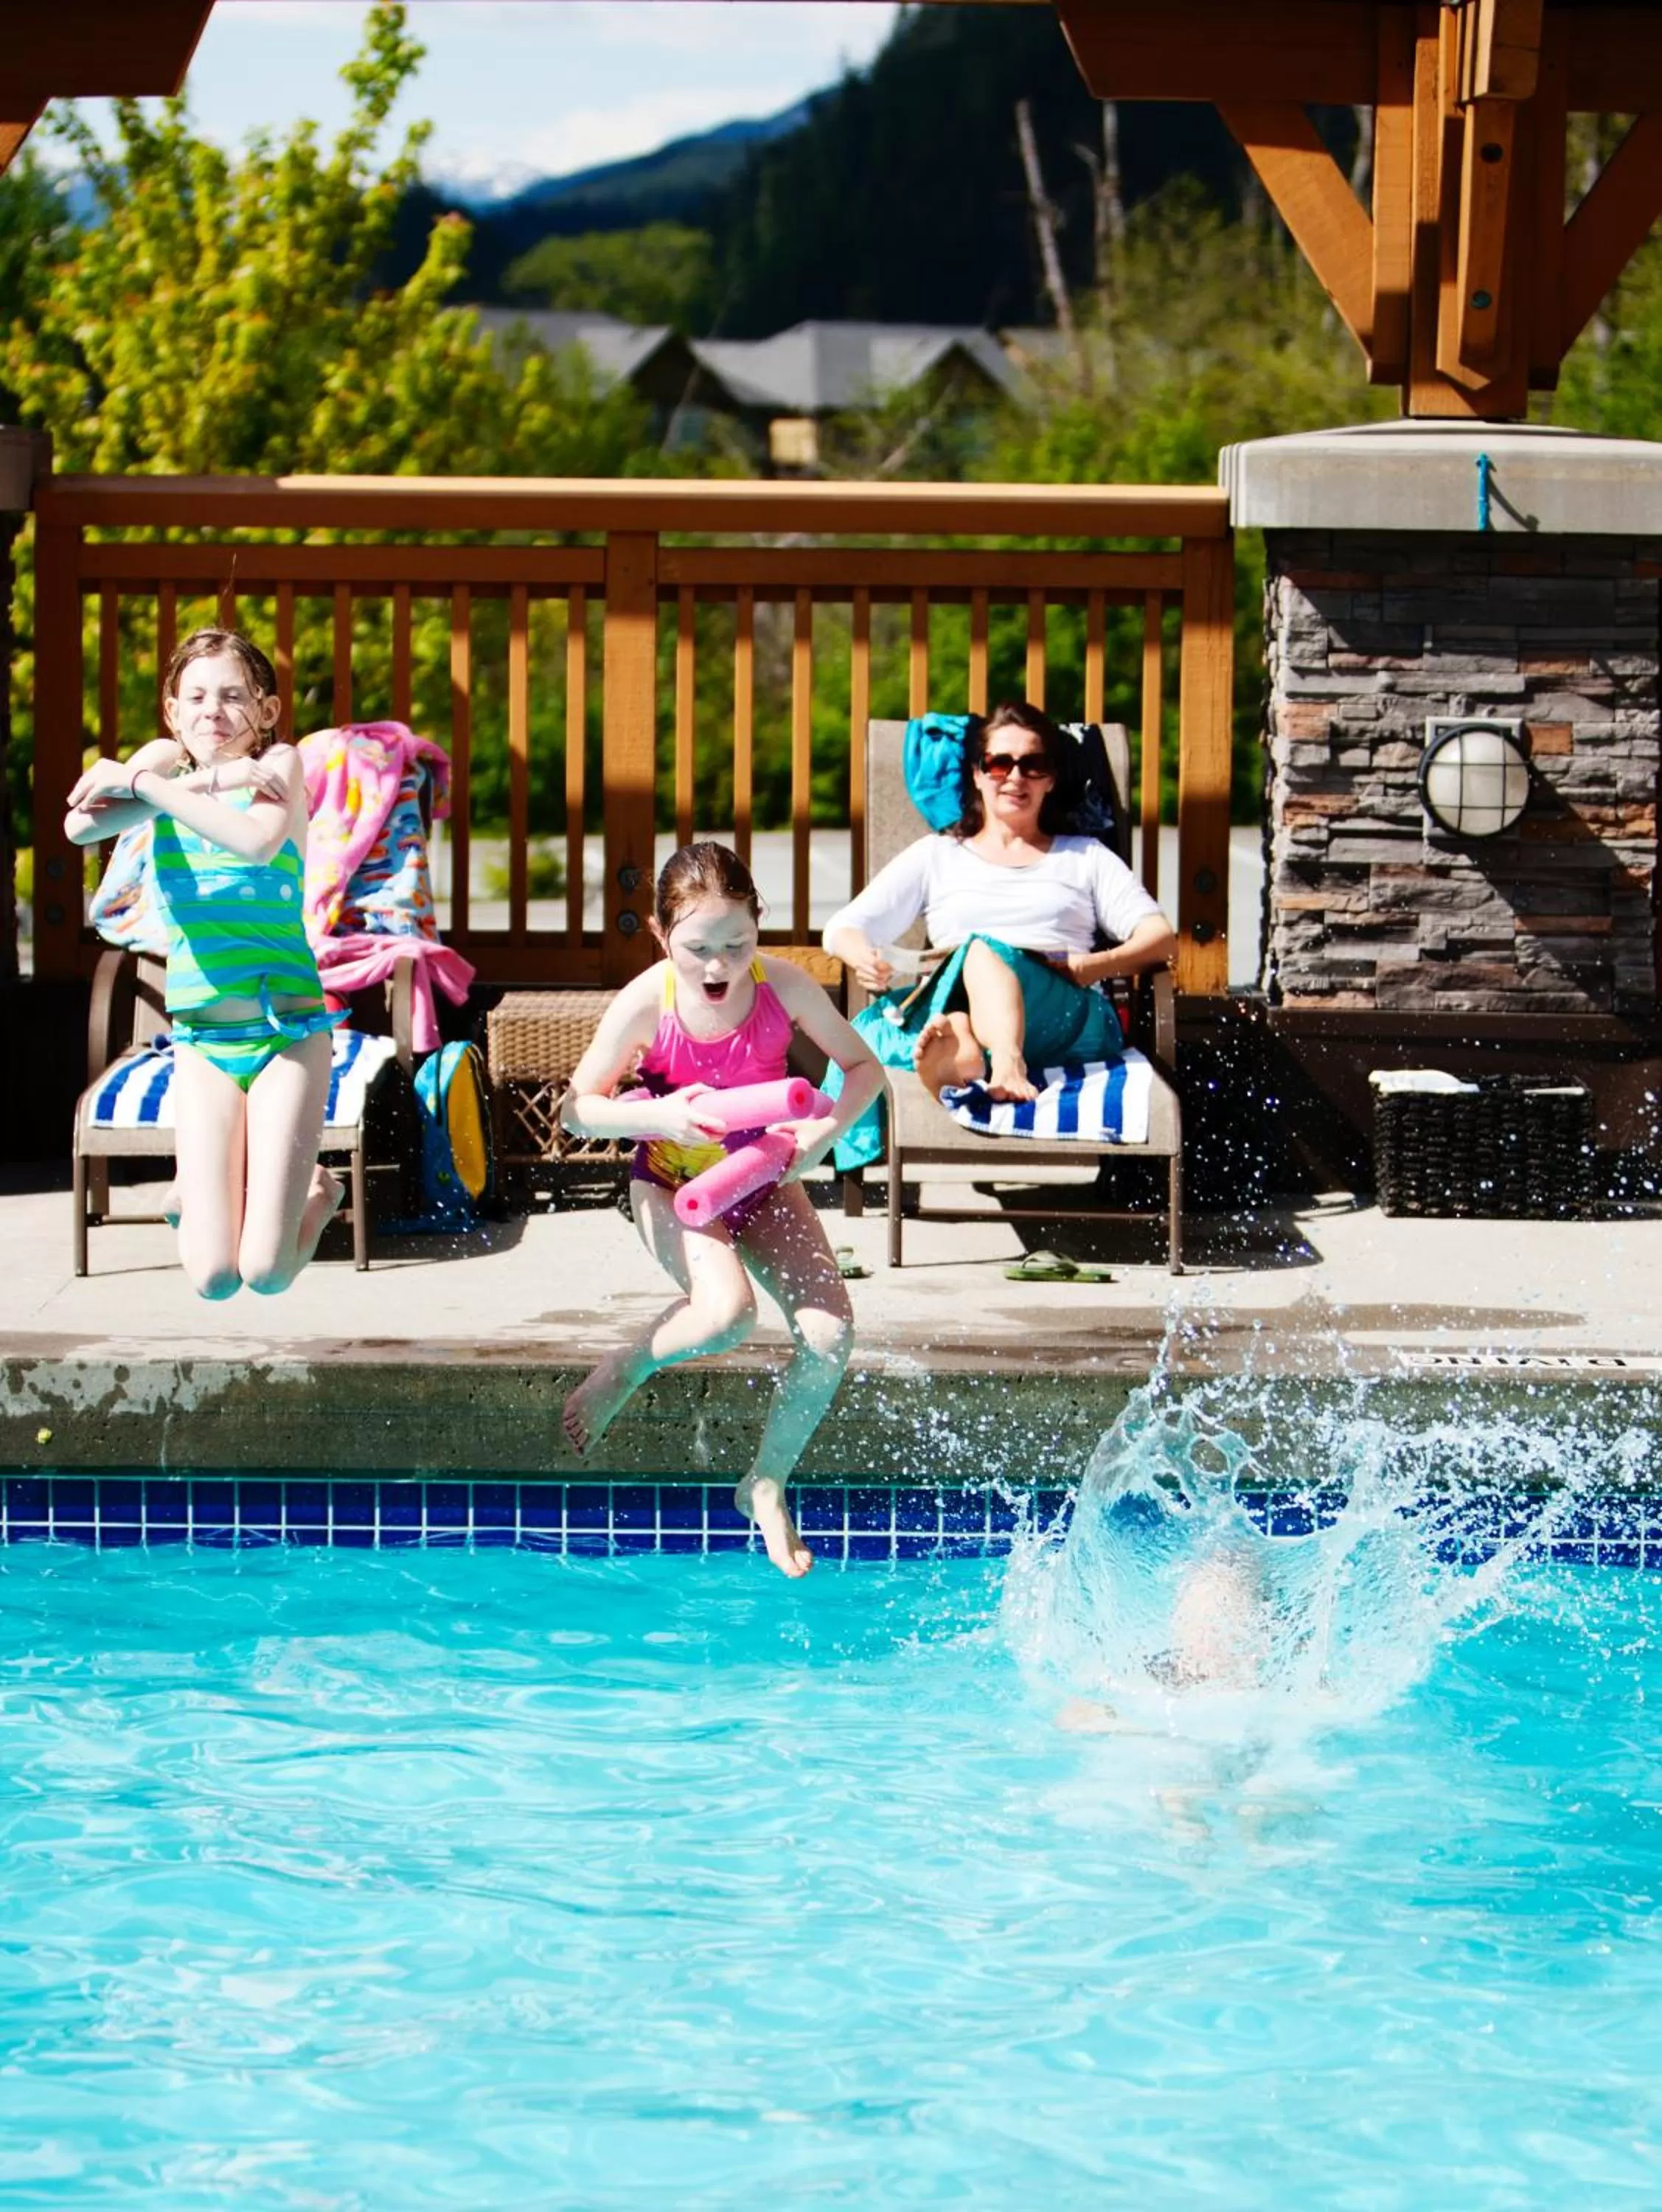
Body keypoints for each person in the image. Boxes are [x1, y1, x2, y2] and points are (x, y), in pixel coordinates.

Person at [560, 842, 885, 1579]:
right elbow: (577, 1110)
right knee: (725, 1315)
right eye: (697, 947)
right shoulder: (648, 1001)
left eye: (736, 944)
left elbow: (865, 1067)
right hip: (674, 1189)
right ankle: (628, 1365)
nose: (717, 966)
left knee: (831, 1334)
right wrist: (660, 1117)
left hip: (762, 1180)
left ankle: (765, 1482)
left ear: (758, 923)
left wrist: (824, 1133)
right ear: (661, 933)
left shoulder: (783, 987)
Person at [65, 627, 343, 1299]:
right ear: (172, 710)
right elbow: (79, 825)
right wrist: (185, 778)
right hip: (201, 1042)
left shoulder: (281, 765)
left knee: (268, 1274)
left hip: (289, 1032)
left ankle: (323, 1192)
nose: (211, 710)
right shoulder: (165, 763)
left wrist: (141, 786)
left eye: (231, 696)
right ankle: (191, 1194)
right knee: (215, 1280)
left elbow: (252, 841)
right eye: (195, 696)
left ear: (267, 710)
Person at [823, 700, 1176, 1105]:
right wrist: (862, 955)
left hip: (1061, 1013)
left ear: (1051, 779)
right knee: (963, 983)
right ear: (976, 774)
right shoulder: (937, 854)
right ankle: (964, 1048)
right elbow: (842, 929)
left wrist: (1091, 966)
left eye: (1033, 764)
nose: (1015, 777)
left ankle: (1000, 1056)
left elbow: (1161, 938)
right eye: (998, 764)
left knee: (980, 950)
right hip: (966, 998)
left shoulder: (1085, 856)